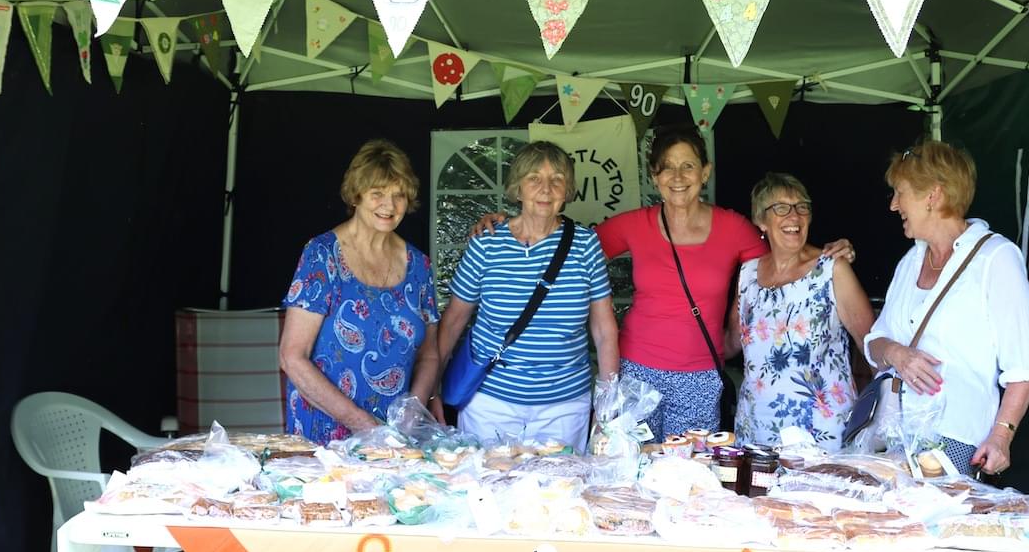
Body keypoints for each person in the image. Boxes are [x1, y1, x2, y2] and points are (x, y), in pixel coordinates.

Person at [472, 124, 855, 440]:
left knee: (687, 480)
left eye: (688, 166)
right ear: (655, 176)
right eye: (667, 168)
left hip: (701, 375)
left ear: (705, 172)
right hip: (636, 371)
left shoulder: (735, 228)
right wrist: (512, 222)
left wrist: (827, 253)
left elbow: (780, 260)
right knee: (630, 476)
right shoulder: (633, 225)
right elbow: (562, 244)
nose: (678, 177)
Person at [865, 139, 1029, 552]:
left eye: (902, 193)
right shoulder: (908, 260)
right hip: (896, 433)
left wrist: (1002, 433)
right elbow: (876, 342)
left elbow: (1025, 366)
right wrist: (896, 351)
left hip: (953, 438)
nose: (894, 204)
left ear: (934, 195)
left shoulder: (997, 259)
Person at [433, 141, 619, 450]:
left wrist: (606, 408)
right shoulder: (487, 242)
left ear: (568, 189)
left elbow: (604, 331)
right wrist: (433, 388)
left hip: (563, 407)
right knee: (485, 494)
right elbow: (453, 322)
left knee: (559, 495)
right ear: (517, 188)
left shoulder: (586, 245)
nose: (546, 188)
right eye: (534, 177)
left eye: (557, 178)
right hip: (490, 404)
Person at [278, 139, 439, 444]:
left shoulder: (418, 266)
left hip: (394, 442)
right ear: (357, 195)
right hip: (324, 433)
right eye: (378, 193)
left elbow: (429, 356)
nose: (389, 206)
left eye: (399, 195)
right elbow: (292, 356)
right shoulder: (321, 255)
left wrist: (409, 417)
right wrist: (364, 426)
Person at [725, 173, 874, 449]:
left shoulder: (832, 269)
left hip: (821, 428)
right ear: (761, 221)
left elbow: (872, 343)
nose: (794, 216)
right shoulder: (747, 274)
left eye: (801, 207)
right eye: (781, 207)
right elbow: (734, 341)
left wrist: (889, 406)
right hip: (757, 425)